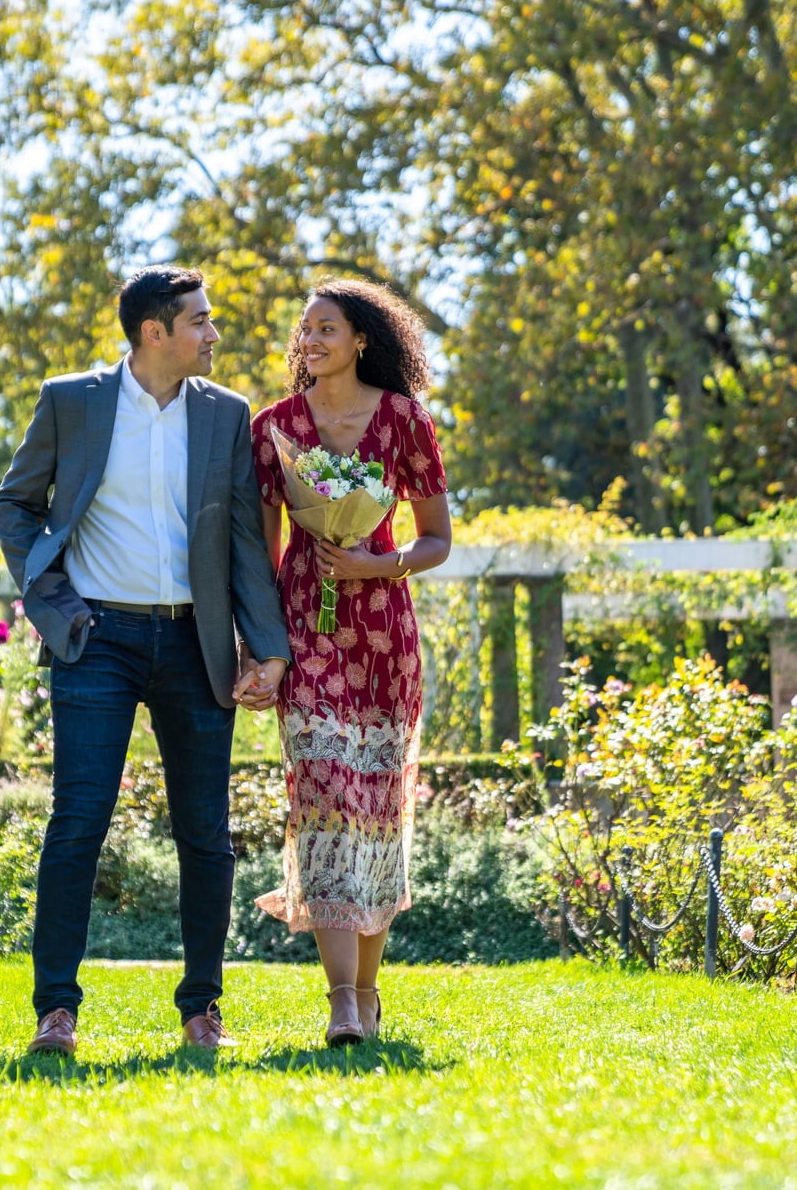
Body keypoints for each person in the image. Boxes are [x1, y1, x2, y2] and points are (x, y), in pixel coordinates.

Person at [0, 265, 292, 1057]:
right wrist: (54, 604)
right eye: (199, 320)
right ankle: (55, 1010)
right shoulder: (72, 401)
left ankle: (202, 1009)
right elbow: (15, 505)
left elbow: (239, 538)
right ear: (154, 331)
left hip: (196, 642)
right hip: (98, 642)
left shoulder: (226, 414)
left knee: (206, 833)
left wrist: (266, 647)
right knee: (77, 823)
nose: (212, 333)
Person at [251, 279, 452, 1046]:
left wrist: (380, 565)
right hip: (305, 628)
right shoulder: (274, 429)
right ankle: (340, 999)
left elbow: (436, 536)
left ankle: (367, 992)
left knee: (374, 815)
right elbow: (265, 550)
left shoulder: (405, 421)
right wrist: (262, 646)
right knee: (324, 801)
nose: (310, 340)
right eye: (303, 330)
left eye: (325, 327)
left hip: (383, 639)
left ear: (362, 337)